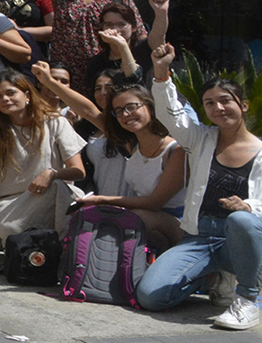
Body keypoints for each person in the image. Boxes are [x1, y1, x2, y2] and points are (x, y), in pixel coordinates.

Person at [137, 44, 262, 330]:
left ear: (243, 105)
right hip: (201, 238)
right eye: (209, 103)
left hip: (248, 244)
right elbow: (170, 115)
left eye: (225, 100)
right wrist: (161, 71)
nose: (218, 108)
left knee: (242, 220)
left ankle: (247, 298)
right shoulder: (200, 139)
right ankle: (212, 278)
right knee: (151, 297)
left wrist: (246, 206)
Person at [0, 64, 86, 248]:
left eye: (10, 93)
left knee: (58, 187)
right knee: (11, 230)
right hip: (10, 208)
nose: (4, 99)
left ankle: (66, 249)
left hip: (53, 199)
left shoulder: (56, 123)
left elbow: (79, 171)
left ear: (27, 95)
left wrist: (52, 173)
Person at [67, 80, 186, 249]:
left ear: (149, 106)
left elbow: (155, 202)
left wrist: (101, 200)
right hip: (145, 221)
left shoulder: (176, 150)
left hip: (177, 223)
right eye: (119, 111)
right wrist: (47, 80)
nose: (126, 115)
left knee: (134, 219)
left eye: (132, 107)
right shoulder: (133, 145)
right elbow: (89, 111)